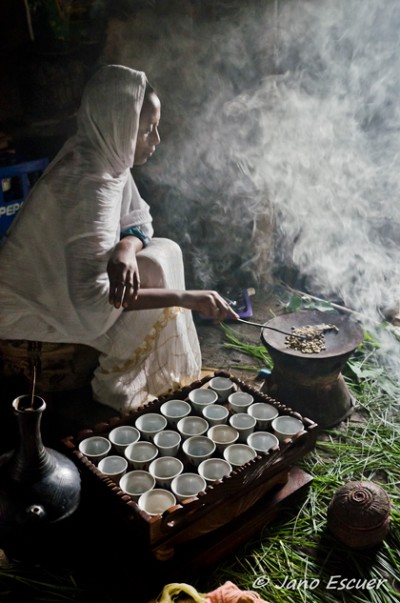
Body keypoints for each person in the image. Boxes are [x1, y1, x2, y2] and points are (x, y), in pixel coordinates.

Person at [0, 64, 238, 412]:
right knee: (155, 292)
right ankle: (118, 393)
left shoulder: (108, 157)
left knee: (163, 253)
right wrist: (187, 298)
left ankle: (154, 374)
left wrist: (126, 248)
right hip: (31, 306)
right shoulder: (85, 184)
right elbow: (92, 308)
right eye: (147, 130)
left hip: (65, 285)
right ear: (120, 127)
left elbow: (140, 218)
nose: (155, 140)